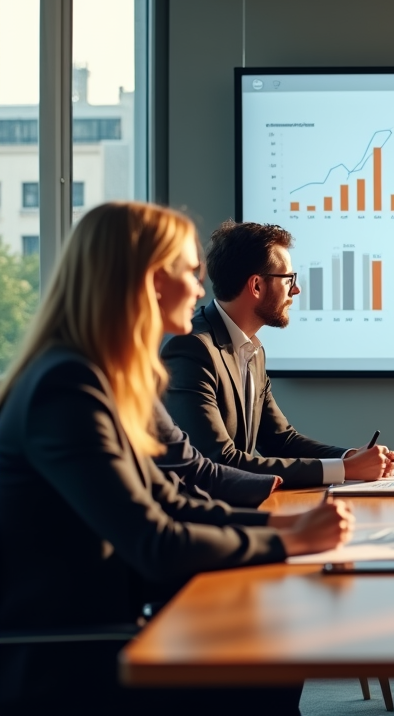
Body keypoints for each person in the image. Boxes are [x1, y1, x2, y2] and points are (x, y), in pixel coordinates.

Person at [0, 202, 351, 715]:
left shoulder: (105, 378)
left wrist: (295, 525)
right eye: (190, 272)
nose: (200, 288)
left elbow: (171, 498)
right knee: (269, 657)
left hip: (119, 617)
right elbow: (153, 540)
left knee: (276, 644)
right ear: (148, 280)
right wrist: (288, 537)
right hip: (75, 652)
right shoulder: (67, 387)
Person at [162, 221, 394, 488]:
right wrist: (344, 469)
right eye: (289, 279)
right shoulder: (192, 349)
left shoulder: (252, 349)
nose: (295, 290)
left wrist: (350, 457)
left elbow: (280, 439)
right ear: (257, 286)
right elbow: (220, 460)